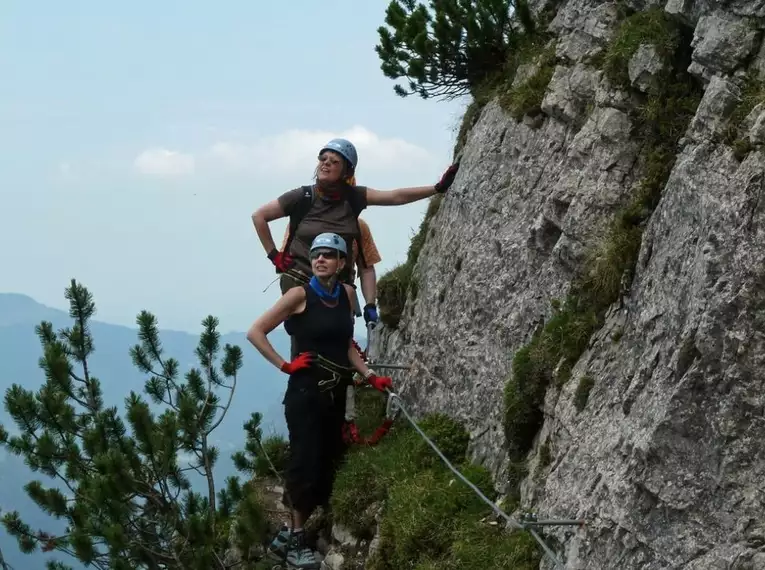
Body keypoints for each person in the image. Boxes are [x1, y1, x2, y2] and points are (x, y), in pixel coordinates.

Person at [246, 232, 393, 570]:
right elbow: (256, 331)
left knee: (328, 459)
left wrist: (370, 375)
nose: (321, 259)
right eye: (316, 255)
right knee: (305, 462)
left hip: (336, 391)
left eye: (329, 255)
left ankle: (289, 533)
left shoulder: (346, 294)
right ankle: (296, 537)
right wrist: (285, 365)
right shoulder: (298, 295)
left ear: (342, 263)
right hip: (305, 393)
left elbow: (344, 344)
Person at [251, 137, 459, 346]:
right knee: (309, 342)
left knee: (339, 345)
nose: (326, 163)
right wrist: (274, 255)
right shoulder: (302, 197)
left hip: (339, 287)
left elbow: (394, 197)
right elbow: (259, 216)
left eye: (334, 161)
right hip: (300, 282)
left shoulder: (353, 199)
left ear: (346, 172)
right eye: (323, 159)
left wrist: (437, 188)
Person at [279, 216, 382, 330]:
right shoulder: (300, 221)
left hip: (340, 298)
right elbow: (285, 260)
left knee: (340, 339)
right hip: (304, 298)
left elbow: (366, 268)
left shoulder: (357, 226)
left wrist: (370, 305)